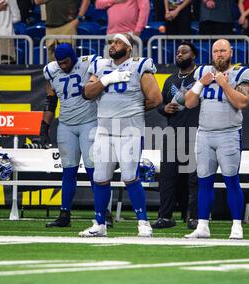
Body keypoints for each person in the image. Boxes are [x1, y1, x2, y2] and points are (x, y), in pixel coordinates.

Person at [82, 33, 162, 237]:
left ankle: (143, 222)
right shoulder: (100, 66)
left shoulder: (139, 65)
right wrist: (107, 80)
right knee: (100, 177)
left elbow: (155, 98)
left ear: (129, 48)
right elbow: (87, 93)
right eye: (112, 42)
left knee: (130, 177)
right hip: (104, 130)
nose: (113, 45)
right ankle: (100, 223)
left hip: (129, 130)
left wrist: (132, 109)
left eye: (118, 42)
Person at [184, 39, 249, 239]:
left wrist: (224, 84)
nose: (219, 54)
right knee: (204, 181)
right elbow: (189, 103)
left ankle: (236, 226)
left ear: (231, 52)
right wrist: (200, 83)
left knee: (231, 180)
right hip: (205, 133)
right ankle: (203, 226)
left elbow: (242, 102)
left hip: (229, 134)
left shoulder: (241, 73)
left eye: (223, 50)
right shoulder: (202, 72)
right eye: (216, 51)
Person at [40, 43, 100, 228]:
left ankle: (102, 213)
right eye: (60, 63)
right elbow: (51, 100)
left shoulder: (89, 63)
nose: (63, 66)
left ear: (73, 57)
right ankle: (64, 215)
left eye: (66, 62)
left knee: (94, 171)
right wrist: (44, 126)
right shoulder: (51, 70)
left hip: (89, 123)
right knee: (68, 171)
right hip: (66, 125)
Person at [152, 42, 199, 230]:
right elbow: (160, 105)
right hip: (172, 133)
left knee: (194, 178)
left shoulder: (200, 78)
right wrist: (165, 108)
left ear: (194, 55)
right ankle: (165, 216)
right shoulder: (170, 80)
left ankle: (194, 216)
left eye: (184, 51)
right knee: (167, 177)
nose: (179, 54)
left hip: (195, 132)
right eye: (178, 52)